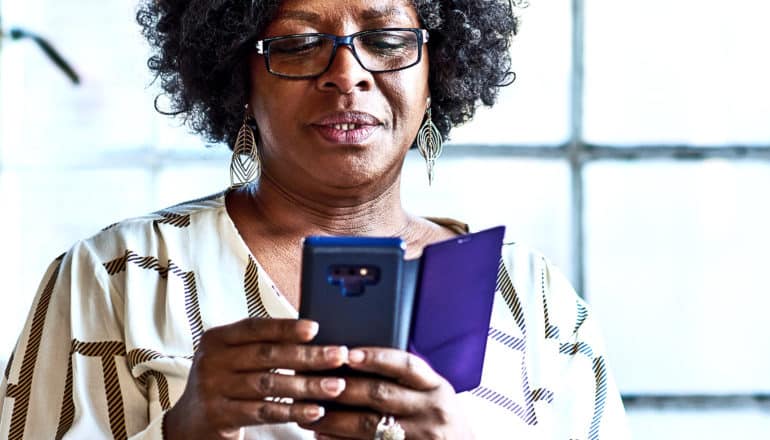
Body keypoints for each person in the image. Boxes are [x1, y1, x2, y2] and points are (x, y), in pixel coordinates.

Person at [0, 0, 630, 438]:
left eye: (386, 40)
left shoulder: (535, 300)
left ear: (438, 73)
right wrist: (180, 432)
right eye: (300, 45)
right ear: (237, 79)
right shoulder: (118, 277)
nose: (347, 75)